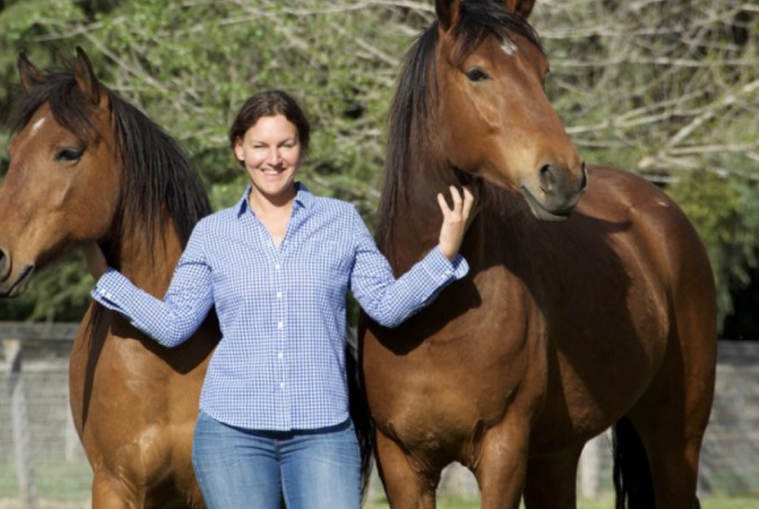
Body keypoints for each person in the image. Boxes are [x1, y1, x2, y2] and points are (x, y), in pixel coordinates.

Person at [84, 90, 474, 509]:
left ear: (301, 148)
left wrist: (445, 253)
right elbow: (175, 322)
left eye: (286, 144)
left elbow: (385, 305)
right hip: (232, 438)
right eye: (260, 146)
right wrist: (106, 278)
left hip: (323, 435)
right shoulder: (213, 235)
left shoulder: (339, 221)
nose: (274, 158)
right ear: (239, 149)